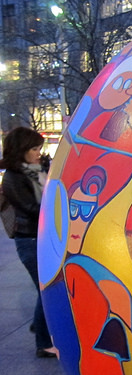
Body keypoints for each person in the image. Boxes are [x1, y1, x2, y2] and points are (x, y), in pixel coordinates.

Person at [0, 127, 57, 358]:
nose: (37, 153)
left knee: (44, 288)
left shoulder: (33, 171)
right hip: (29, 239)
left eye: (38, 149)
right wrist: (56, 207)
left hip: (40, 237)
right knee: (47, 290)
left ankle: (39, 323)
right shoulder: (13, 178)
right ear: (21, 150)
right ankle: (43, 343)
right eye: (34, 149)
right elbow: (32, 208)